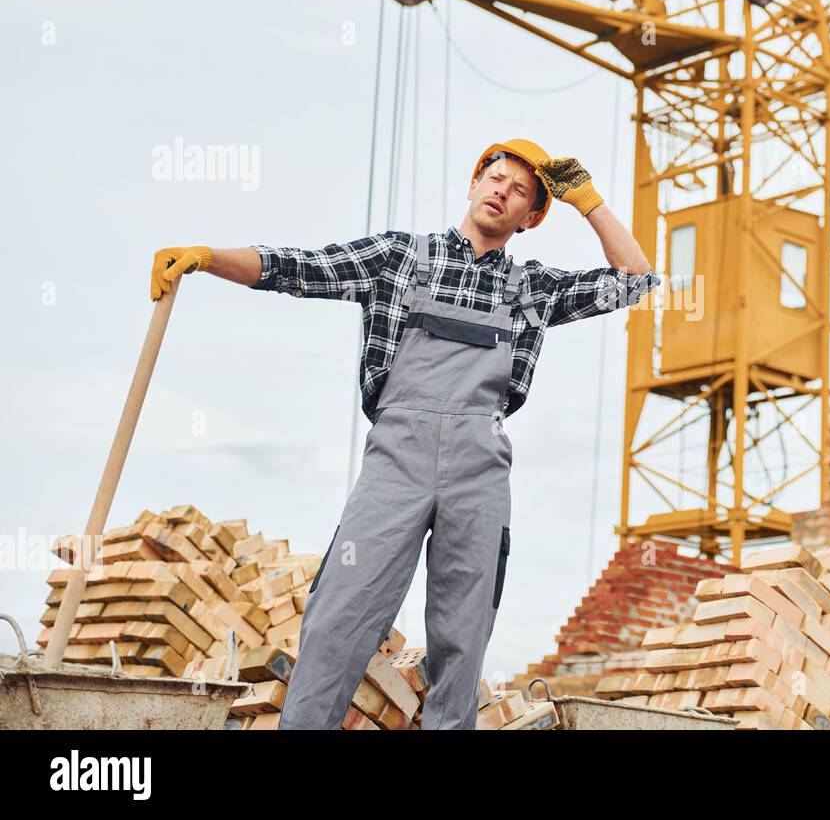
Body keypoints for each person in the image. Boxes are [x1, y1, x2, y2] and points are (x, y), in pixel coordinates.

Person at [149, 142, 660, 728]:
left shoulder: (532, 288)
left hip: (479, 468)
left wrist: (588, 203)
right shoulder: (398, 258)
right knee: (338, 616)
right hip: (398, 459)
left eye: (520, 191)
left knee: (462, 638)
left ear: (532, 218)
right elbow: (297, 267)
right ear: (472, 185)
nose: (501, 191)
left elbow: (636, 281)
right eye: (494, 178)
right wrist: (207, 257)